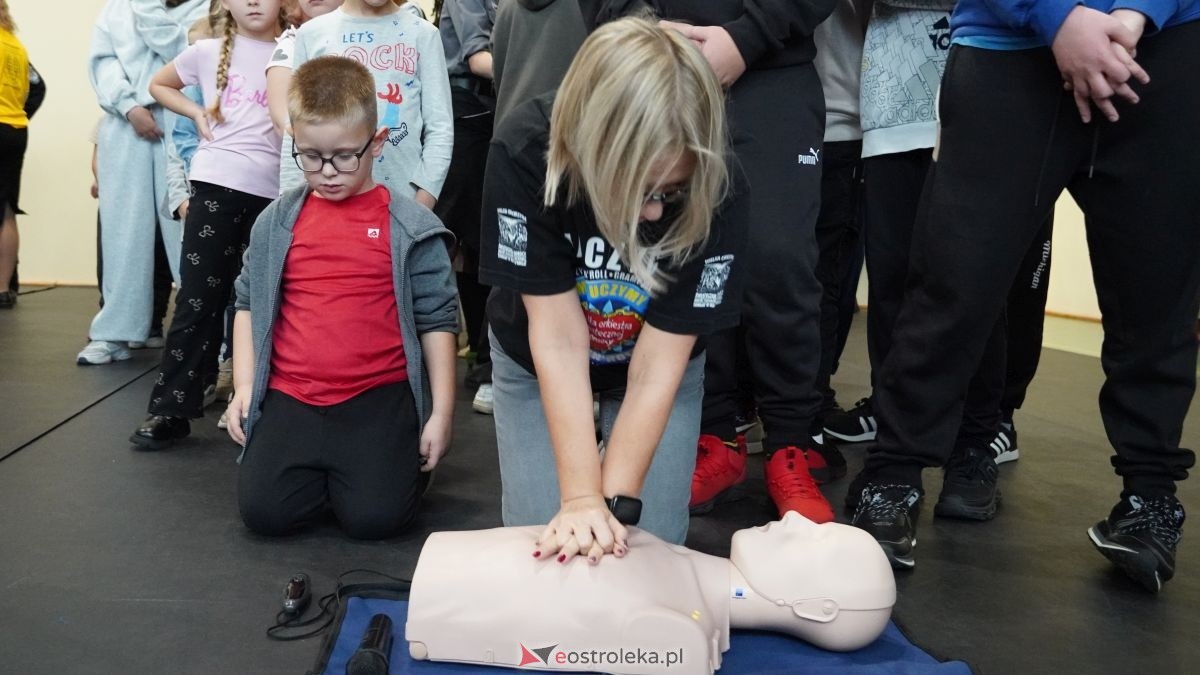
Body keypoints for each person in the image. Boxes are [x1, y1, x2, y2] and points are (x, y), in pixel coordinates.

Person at [850, 1, 1198, 594]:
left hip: (1162, 48)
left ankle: (1150, 498)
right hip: (1008, 47)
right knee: (952, 281)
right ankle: (893, 475)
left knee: (1157, 294)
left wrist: (1138, 13)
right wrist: (1058, 17)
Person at [481, 16, 746, 553]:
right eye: (634, 187)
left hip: (651, 366)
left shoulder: (719, 183)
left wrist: (611, 507)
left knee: (645, 541)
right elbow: (556, 336)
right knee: (542, 538)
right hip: (538, 357)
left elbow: (657, 367)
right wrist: (580, 500)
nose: (651, 212)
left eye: (669, 192)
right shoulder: (525, 148)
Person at [227, 56, 458, 539]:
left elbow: (438, 320)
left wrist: (440, 414)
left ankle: (367, 472)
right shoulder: (276, 222)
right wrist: (246, 386)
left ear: (375, 143)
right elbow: (246, 302)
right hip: (292, 395)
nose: (327, 172)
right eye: (311, 157)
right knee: (265, 516)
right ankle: (336, 471)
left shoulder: (410, 227)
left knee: (375, 521)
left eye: (344, 156)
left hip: (376, 398)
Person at [653, 1, 841, 525]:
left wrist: (750, 36)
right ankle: (714, 436)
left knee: (779, 260)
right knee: (685, 255)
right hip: (662, 65)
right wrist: (642, 25)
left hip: (771, 68)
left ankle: (790, 445)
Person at [407, 512, 896, 671]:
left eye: (815, 540)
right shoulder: (687, 590)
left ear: (818, 608)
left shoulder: (680, 632)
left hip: (447, 599)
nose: (793, 518)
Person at [129, 0, 287, 449]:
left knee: (264, 300)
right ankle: (170, 409)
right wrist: (196, 113)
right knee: (198, 300)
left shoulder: (293, 50)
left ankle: (259, 401)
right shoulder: (207, 50)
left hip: (275, 194)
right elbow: (159, 85)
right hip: (216, 186)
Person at [81, 0, 209, 364]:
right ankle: (115, 333)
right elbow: (103, 63)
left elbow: (189, 56)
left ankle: (200, 339)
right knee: (123, 233)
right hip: (125, 126)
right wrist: (129, 107)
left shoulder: (211, 7)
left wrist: (149, 12)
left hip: (186, 120)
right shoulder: (117, 8)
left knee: (189, 230)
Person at [271, 0, 453, 209]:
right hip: (324, 205)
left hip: (401, 207)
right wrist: (290, 205)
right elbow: (295, 127)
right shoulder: (312, 33)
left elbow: (440, 128)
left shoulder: (423, 34)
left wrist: (422, 206)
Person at [435, 0, 497, 414]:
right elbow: (478, 58)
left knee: (485, 242)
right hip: (464, 109)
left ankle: (486, 355)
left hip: (501, 106)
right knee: (450, 240)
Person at [0, 0, 31, 309]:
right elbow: (28, 91)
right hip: (16, 128)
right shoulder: (16, 45)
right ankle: (3, 287)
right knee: (7, 208)